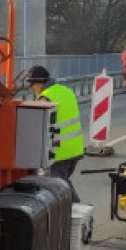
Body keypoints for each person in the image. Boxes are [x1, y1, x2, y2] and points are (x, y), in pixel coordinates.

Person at [27, 65, 85, 202]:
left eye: (33, 84)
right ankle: (78, 210)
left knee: (56, 186)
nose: (31, 87)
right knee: (63, 183)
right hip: (75, 149)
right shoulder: (65, 90)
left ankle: (75, 212)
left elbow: (37, 127)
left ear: (41, 82)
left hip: (60, 152)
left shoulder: (46, 98)